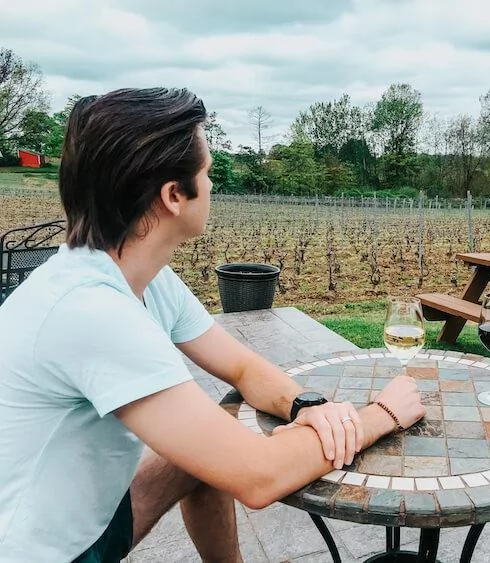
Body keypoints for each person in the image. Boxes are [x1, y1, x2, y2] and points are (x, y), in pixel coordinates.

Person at [0, 88, 425, 563]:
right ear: (173, 195)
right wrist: (381, 416)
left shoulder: (139, 276)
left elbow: (242, 368)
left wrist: (306, 406)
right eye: (206, 173)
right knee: (236, 456)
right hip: (49, 551)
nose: (213, 185)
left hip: (90, 516)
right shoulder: (90, 311)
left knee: (210, 447)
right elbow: (258, 477)